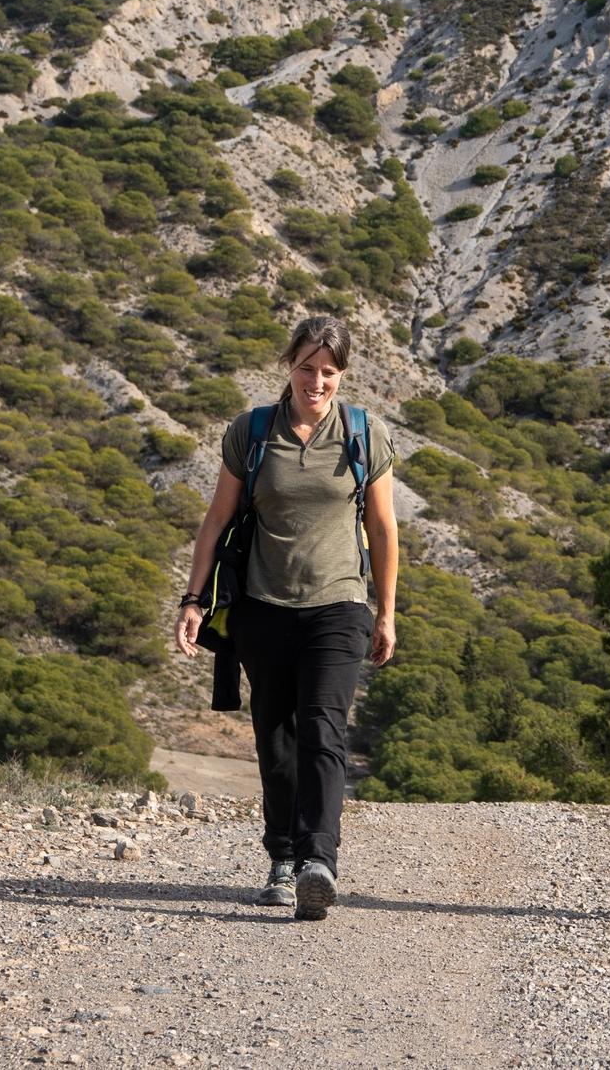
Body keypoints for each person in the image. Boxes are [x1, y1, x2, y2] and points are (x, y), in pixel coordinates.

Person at [174, 316, 399, 921]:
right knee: (276, 739)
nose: (316, 381)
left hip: (340, 604)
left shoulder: (362, 434)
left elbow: (382, 529)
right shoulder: (251, 432)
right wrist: (192, 601)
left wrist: (387, 612)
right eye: (306, 367)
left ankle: (318, 861)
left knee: (324, 728)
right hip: (262, 608)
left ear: (342, 375)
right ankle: (281, 857)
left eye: (329, 371)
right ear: (289, 366)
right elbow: (215, 522)